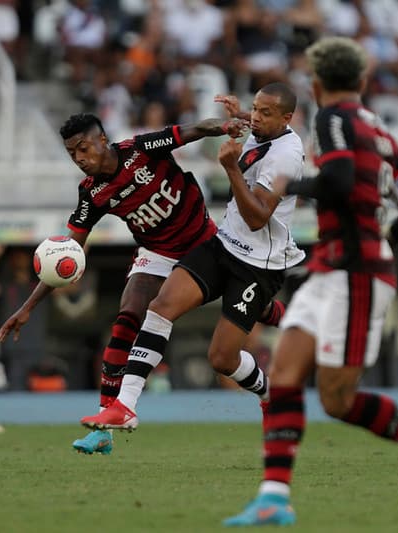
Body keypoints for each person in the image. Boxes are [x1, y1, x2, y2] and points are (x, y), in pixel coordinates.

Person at [223, 37, 398, 527]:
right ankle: (273, 497)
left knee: (337, 401)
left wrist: (290, 184)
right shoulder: (381, 133)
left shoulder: (332, 118)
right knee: (285, 372)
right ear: (361, 80)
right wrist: (383, 243)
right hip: (333, 267)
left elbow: (336, 182)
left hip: (355, 274)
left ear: (316, 85)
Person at [0, 112, 282, 454]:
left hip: (205, 245)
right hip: (157, 253)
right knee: (128, 316)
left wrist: (224, 126)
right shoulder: (92, 193)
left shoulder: (142, 149)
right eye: (72, 154)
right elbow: (67, 255)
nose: (79, 159)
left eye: (83, 148)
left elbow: (194, 129)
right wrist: (27, 307)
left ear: (103, 139)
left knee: (256, 309)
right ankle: (106, 423)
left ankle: (282, 318)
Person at [79, 82, 305, 432]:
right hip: (223, 244)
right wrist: (239, 114)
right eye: (255, 109)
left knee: (222, 359)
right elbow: (257, 124)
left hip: (257, 265)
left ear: (287, 118)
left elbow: (258, 217)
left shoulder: (285, 156)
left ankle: (270, 394)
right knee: (160, 307)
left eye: (265, 113)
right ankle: (125, 407)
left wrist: (231, 168)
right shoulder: (266, 129)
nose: (256, 118)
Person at [0, 242, 46, 391]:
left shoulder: (41, 284)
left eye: (23, 255)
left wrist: (78, 252)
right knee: (16, 394)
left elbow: (69, 287)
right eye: (15, 255)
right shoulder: (6, 284)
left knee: (41, 394)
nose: (20, 259)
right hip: (12, 350)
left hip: (38, 348)